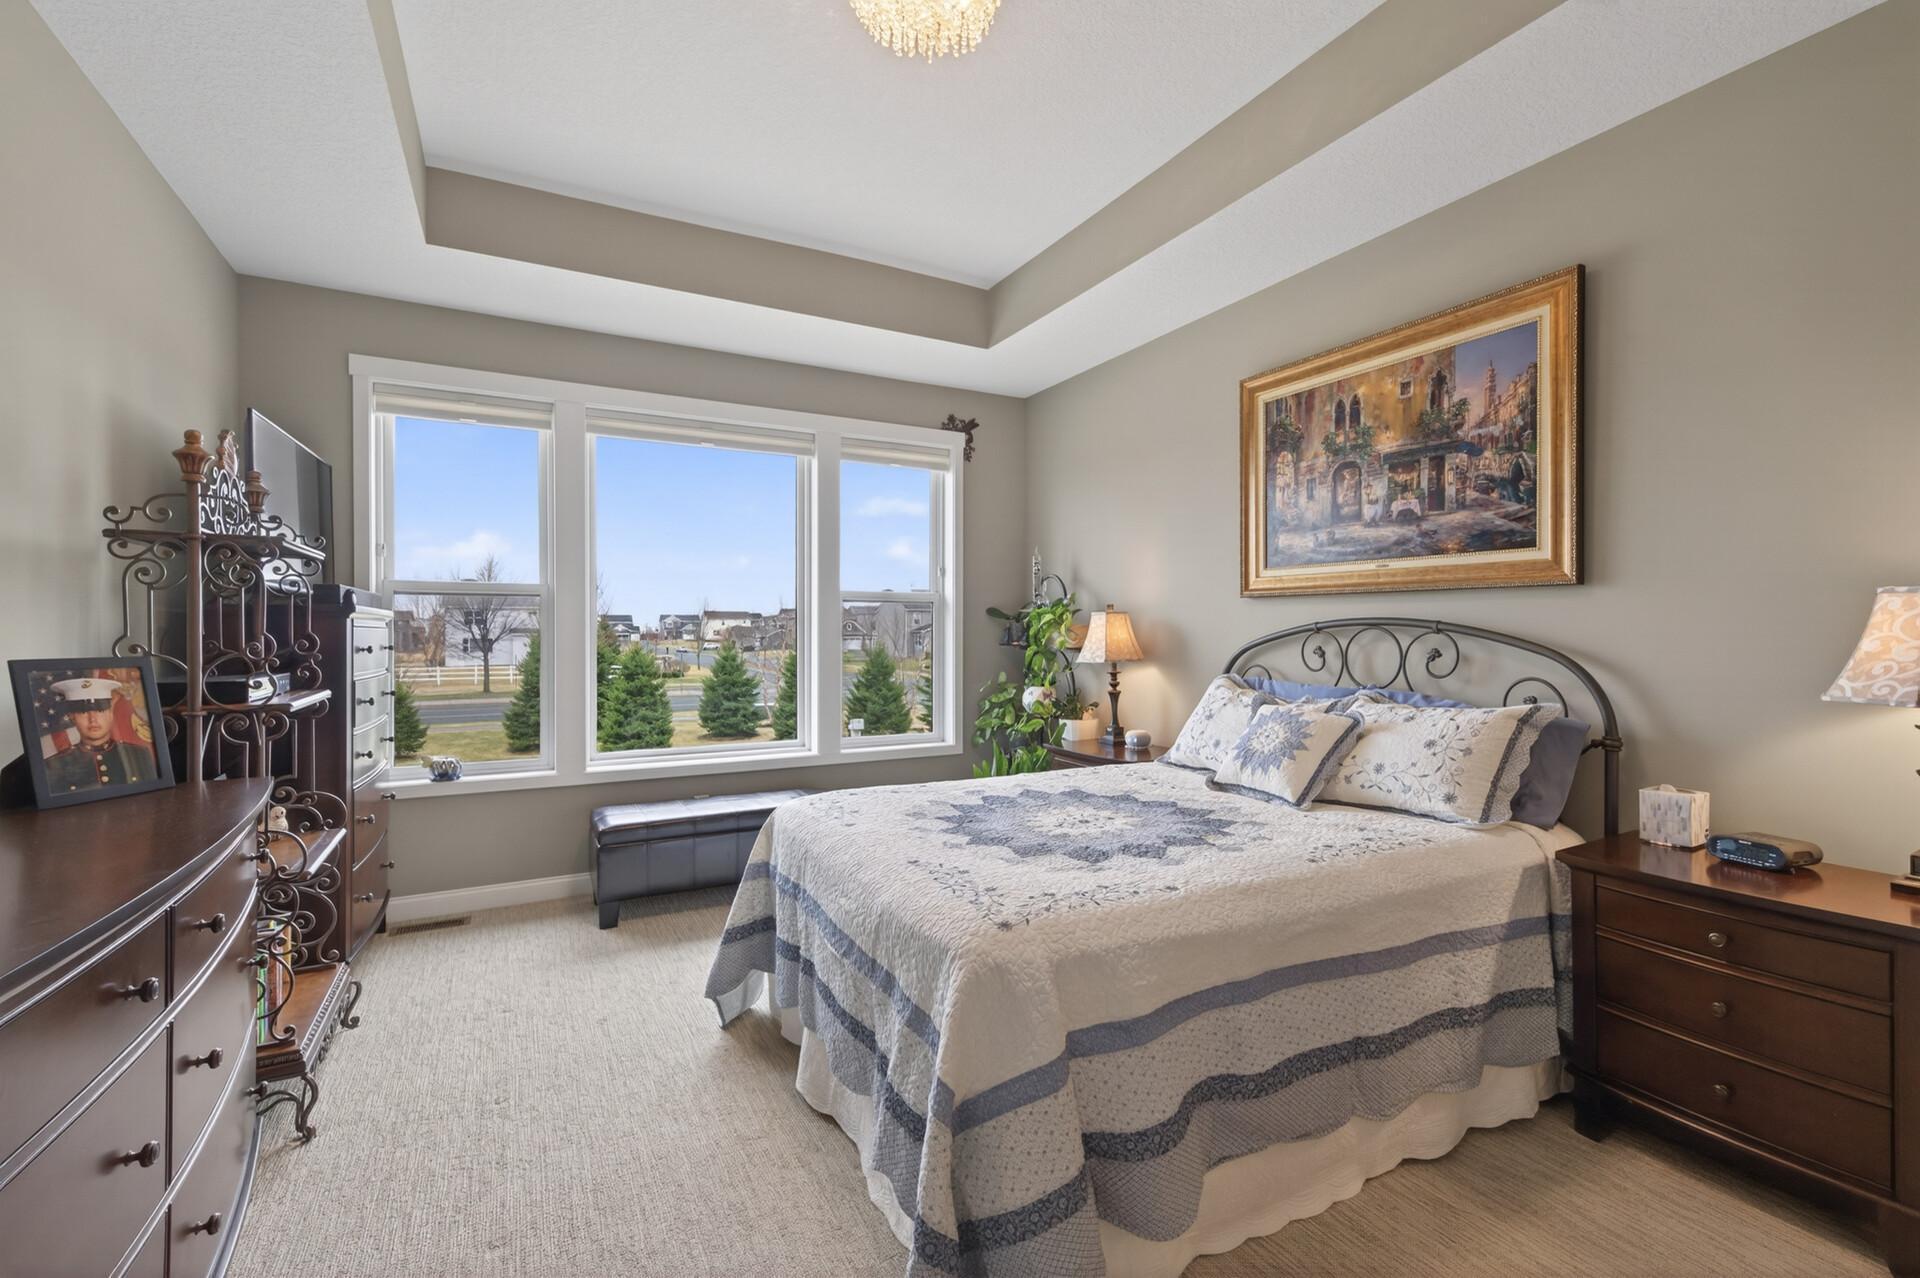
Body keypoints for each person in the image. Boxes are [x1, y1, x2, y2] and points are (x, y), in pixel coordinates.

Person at [42, 676, 156, 794]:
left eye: (100, 711)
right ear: (72, 717)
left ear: (110, 714)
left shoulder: (139, 754)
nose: (93, 720)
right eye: (83, 712)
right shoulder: (54, 765)